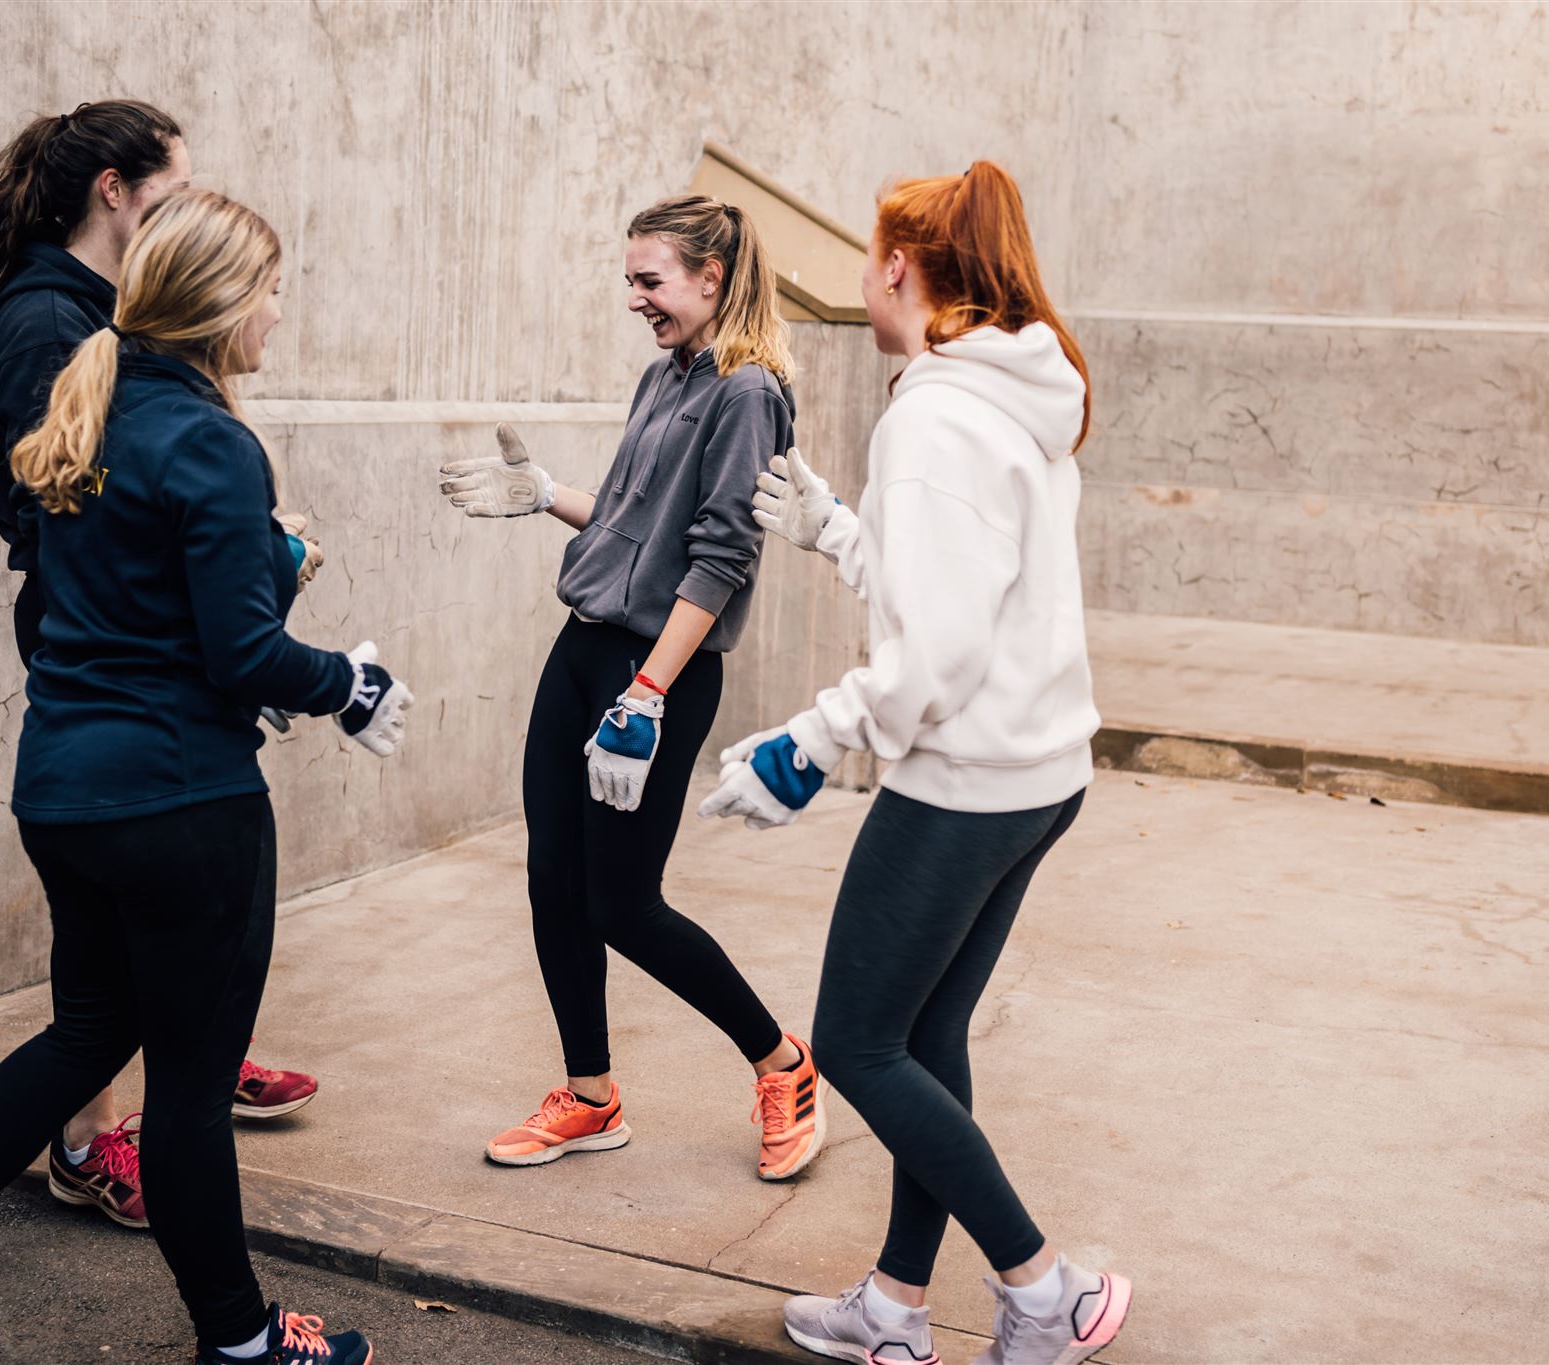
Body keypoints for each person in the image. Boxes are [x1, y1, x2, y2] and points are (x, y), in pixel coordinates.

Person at [0, 188, 411, 1365]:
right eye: (274, 290)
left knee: (82, 1041)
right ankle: (243, 1345)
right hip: (182, 807)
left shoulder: (90, 413)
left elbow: (139, 614)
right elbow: (242, 655)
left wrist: (268, 576)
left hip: (66, 791)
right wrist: (351, 683)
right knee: (189, 1093)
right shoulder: (211, 440)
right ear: (223, 302)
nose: (281, 315)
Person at [701, 162, 1133, 1365]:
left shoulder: (935, 417)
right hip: (1036, 774)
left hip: (963, 784)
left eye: (865, 258)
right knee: (923, 1041)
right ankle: (894, 1308)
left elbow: (935, 649)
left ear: (898, 267)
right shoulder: (1008, 392)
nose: (859, 275)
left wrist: (811, 738)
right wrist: (841, 529)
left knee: (852, 1043)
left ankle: (1044, 1291)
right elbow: (964, 595)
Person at [0, 100, 320, 1234]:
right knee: (104, 983)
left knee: (129, 979)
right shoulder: (49, 322)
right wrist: (238, 590)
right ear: (113, 190)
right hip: (114, 680)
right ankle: (95, 1136)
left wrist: (238, 562)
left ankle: (187, 1039)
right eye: (168, 196)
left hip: (134, 679)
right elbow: (46, 508)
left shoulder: (103, 322)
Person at [436, 196, 825, 1182]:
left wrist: (645, 693)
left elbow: (720, 556)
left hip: (653, 674)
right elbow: (626, 519)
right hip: (582, 655)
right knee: (551, 882)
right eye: (631, 281)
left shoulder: (747, 392)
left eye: (649, 281)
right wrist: (541, 496)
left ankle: (782, 1064)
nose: (635, 301)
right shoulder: (667, 377)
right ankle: (591, 1097)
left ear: (712, 278)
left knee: (621, 903)